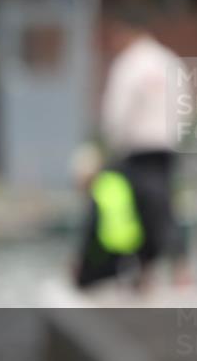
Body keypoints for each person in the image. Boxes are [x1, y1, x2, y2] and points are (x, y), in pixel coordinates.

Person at [76, 15, 188, 289]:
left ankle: (140, 272)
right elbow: (185, 107)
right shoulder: (170, 61)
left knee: (136, 212)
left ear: (125, 33)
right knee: (163, 208)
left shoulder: (128, 65)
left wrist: (108, 147)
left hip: (136, 152)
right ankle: (174, 270)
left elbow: (116, 114)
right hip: (166, 149)